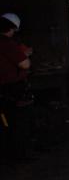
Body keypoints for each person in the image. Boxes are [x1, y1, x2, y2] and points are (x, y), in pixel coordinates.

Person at [0, 12, 33, 162]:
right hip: (11, 90)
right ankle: (19, 155)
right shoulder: (8, 44)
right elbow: (24, 64)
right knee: (18, 124)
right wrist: (25, 55)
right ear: (11, 29)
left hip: (4, 91)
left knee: (7, 122)